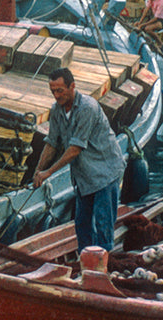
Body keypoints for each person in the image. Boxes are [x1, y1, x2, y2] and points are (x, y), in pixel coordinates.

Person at [33, 67, 125, 253]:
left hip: (105, 173)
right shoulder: (56, 110)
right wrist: (38, 170)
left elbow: (75, 149)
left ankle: (104, 265)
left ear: (72, 86)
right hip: (84, 177)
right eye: (53, 91)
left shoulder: (87, 108)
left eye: (60, 90)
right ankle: (86, 262)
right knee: (82, 223)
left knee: (103, 224)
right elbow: (52, 143)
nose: (56, 95)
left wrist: (48, 173)